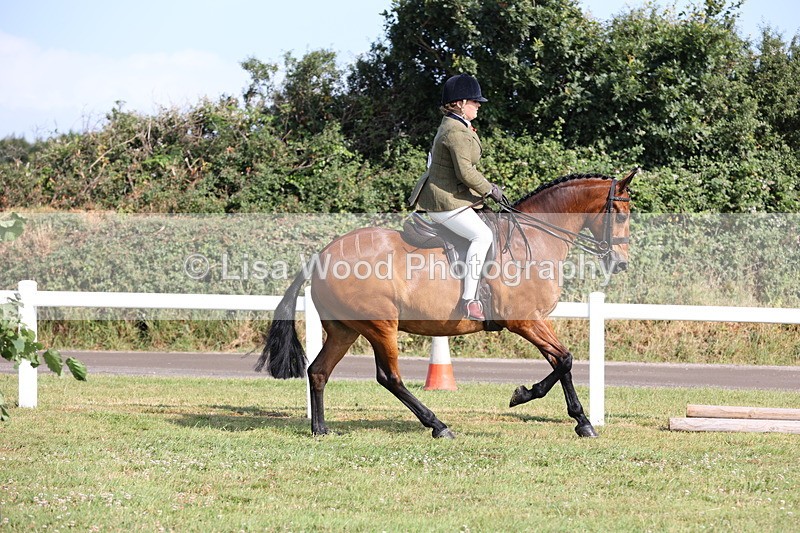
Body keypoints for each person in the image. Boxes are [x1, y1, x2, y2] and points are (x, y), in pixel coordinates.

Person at [408, 73, 504, 321]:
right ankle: (469, 300)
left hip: (453, 196)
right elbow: (466, 172)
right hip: (445, 201)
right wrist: (489, 189)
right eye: (475, 101)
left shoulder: (458, 126)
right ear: (461, 103)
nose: (478, 105)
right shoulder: (455, 131)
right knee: (482, 235)